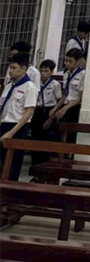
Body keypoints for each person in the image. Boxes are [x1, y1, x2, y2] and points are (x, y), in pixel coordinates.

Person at [0, 53, 38, 181]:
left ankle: (10, 187)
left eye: (14, 68)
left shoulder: (30, 87)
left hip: (18, 127)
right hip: (4, 124)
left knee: (14, 161)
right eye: (10, 67)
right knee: (2, 160)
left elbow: (29, 112)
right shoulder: (9, 85)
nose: (10, 71)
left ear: (23, 69)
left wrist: (11, 132)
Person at [30, 59, 63, 167]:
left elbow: (59, 101)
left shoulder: (55, 84)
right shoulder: (35, 83)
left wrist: (51, 117)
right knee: (35, 137)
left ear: (51, 72)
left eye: (46, 71)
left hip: (49, 111)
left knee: (46, 138)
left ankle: (44, 163)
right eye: (41, 70)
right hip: (37, 110)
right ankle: (34, 163)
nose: (43, 73)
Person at [49, 48, 85, 138]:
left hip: (75, 107)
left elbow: (80, 98)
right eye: (66, 61)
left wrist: (65, 108)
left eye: (70, 61)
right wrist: (56, 107)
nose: (67, 63)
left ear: (78, 62)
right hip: (65, 104)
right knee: (57, 132)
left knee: (71, 135)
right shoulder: (66, 74)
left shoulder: (83, 75)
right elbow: (65, 94)